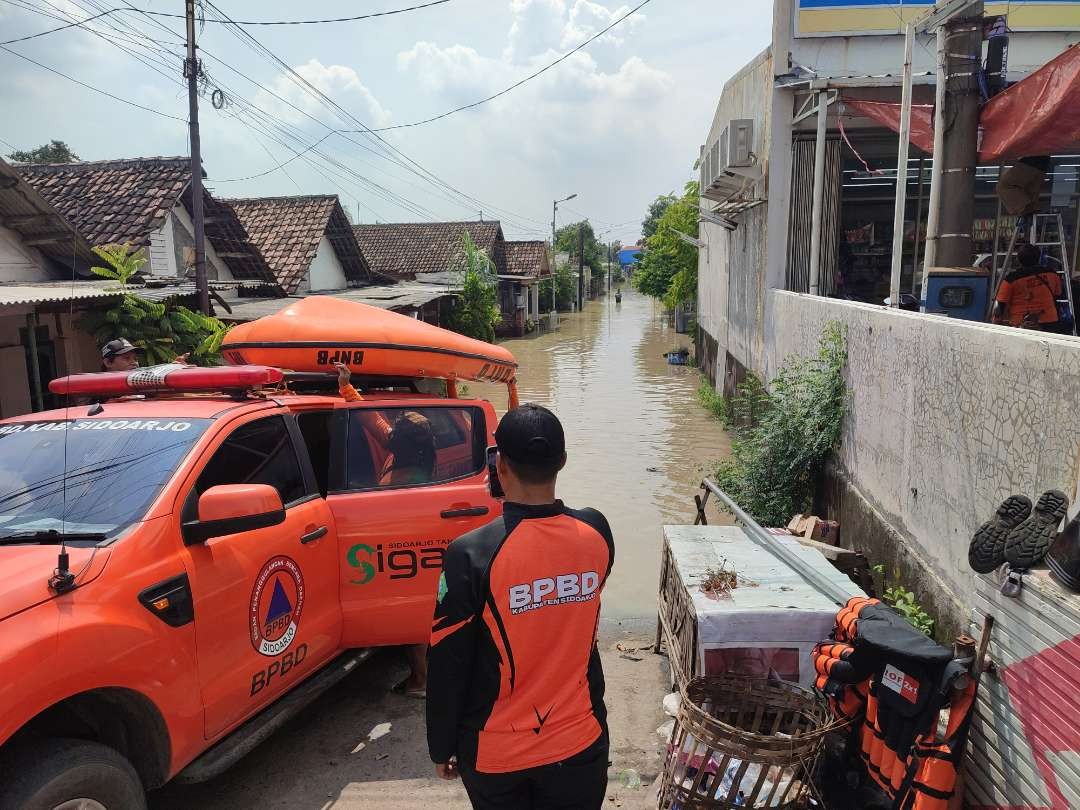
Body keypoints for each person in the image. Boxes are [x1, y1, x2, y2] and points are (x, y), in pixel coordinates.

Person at [427, 403, 615, 810]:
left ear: (499, 465)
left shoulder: (471, 553)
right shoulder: (596, 532)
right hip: (579, 743)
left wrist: (441, 745)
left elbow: (448, 661)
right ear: (562, 461)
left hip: (498, 756)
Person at [335, 361, 432, 698]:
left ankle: (421, 680)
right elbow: (374, 420)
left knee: (409, 617)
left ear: (398, 444)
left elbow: (377, 423)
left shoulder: (403, 481)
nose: (388, 431)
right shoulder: (421, 465)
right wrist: (347, 387)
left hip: (399, 558)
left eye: (394, 432)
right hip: (413, 557)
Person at [992, 243, 1062, 331]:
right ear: (1038, 258)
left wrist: (996, 324)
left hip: (1022, 324)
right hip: (1050, 321)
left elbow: (1000, 304)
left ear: (1019, 260)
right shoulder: (1052, 274)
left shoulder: (1012, 279)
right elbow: (1058, 294)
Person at [100, 338, 188, 371]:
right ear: (108, 363)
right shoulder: (98, 392)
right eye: (126, 358)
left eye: (135, 359)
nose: (134, 362)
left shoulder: (140, 383)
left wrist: (173, 366)